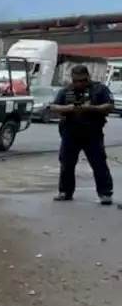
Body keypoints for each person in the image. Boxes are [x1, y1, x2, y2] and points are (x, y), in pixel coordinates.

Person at [48, 64, 115, 205]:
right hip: (71, 132)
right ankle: (65, 192)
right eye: (76, 80)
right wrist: (70, 108)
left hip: (92, 133)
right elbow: (54, 107)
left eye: (82, 80)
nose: (79, 84)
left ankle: (105, 193)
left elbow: (109, 106)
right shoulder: (66, 91)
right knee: (66, 163)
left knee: (98, 163)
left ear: (88, 77)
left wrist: (90, 108)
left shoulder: (99, 89)